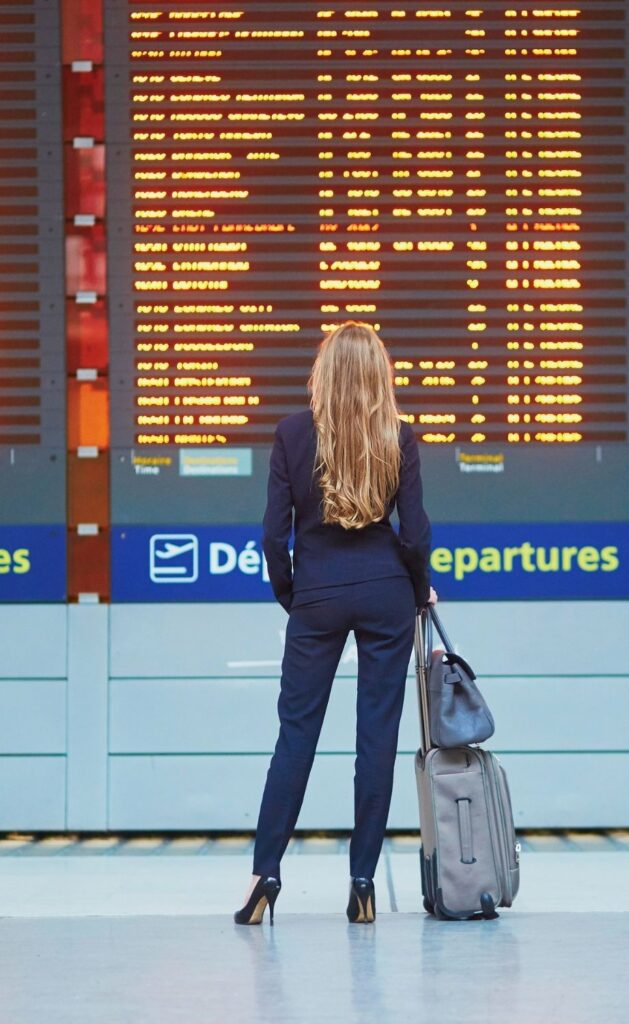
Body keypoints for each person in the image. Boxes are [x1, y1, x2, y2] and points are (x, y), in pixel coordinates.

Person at [234, 321, 437, 926]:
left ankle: (265, 876)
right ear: (380, 374)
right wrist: (417, 583)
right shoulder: (397, 436)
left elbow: (273, 536)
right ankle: (363, 883)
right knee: (375, 739)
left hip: (317, 594)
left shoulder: (292, 434)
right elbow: (417, 532)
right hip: (385, 595)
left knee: (295, 735)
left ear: (323, 374)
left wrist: (293, 595)